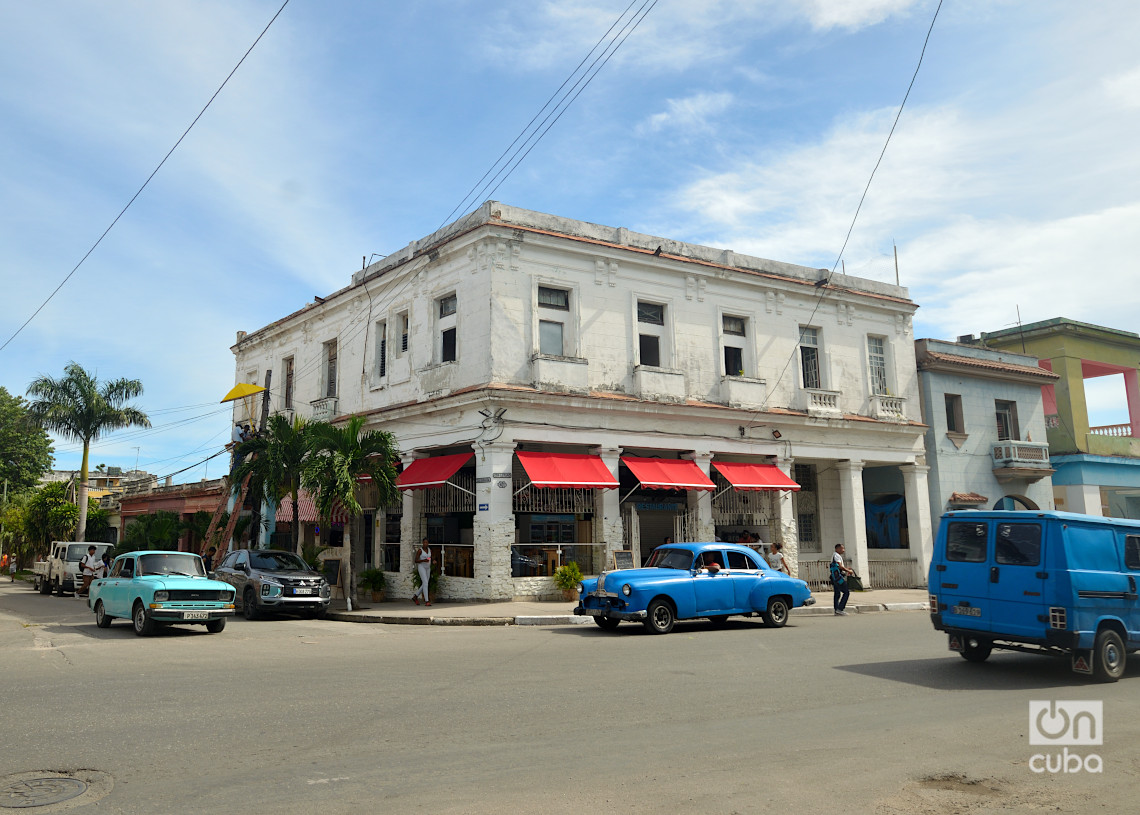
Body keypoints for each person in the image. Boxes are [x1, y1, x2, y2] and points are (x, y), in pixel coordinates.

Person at [830, 543, 855, 616]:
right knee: (846, 592)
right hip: (838, 577)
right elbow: (840, 567)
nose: (843, 550)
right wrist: (848, 571)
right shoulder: (836, 556)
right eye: (842, 548)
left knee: (837, 593)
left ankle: (836, 609)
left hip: (834, 577)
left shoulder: (835, 555)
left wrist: (846, 569)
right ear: (837, 549)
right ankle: (840, 609)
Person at [412, 538, 432, 606]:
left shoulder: (429, 550)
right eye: (424, 542)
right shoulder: (420, 551)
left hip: (428, 568)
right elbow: (416, 560)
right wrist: (423, 560)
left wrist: (430, 560)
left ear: (428, 543)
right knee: (425, 583)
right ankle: (427, 601)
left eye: (426, 542)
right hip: (421, 567)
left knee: (425, 583)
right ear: (422, 543)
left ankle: (415, 596)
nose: (425, 544)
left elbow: (429, 557)